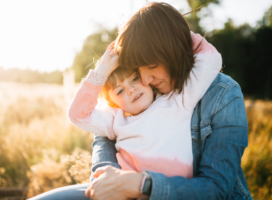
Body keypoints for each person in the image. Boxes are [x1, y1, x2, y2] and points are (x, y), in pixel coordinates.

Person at [29, 2, 252, 200]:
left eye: (151, 66)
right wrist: (108, 179)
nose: (144, 80)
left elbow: (215, 190)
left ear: (173, 49)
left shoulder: (216, 95)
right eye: (139, 70)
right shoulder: (134, 101)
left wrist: (140, 184)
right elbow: (103, 137)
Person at [67, 31, 221, 182]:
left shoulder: (177, 99)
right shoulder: (116, 118)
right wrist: (103, 69)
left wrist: (174, 32)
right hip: (129, 193)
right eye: (120, 91)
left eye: (135, 78)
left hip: (173, 191)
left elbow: (210, 58)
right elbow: (78, 115)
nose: (131, 89)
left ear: (147, 78)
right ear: (113, 103)